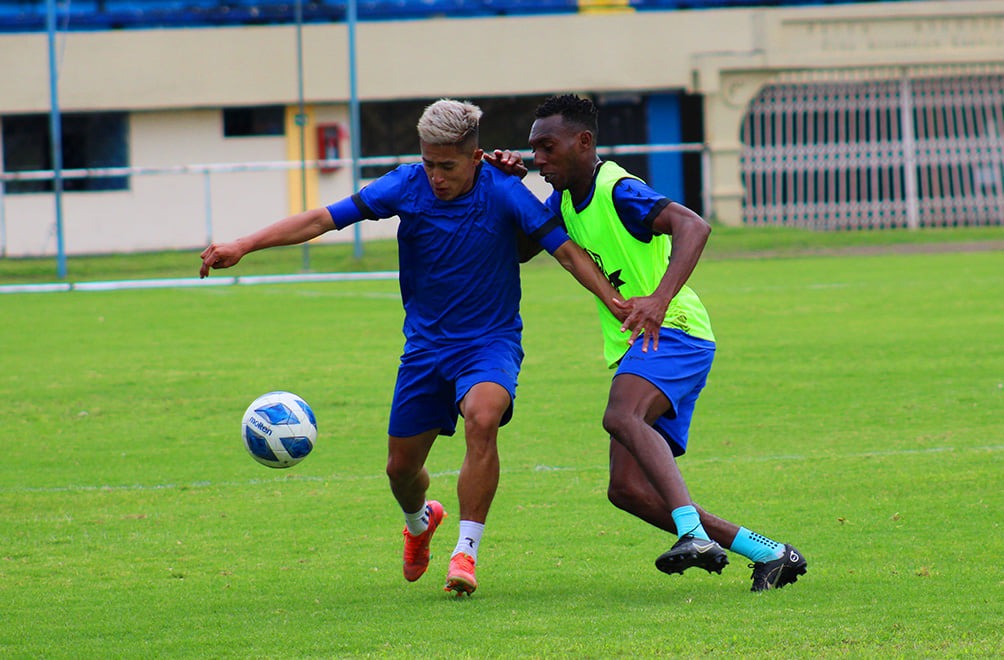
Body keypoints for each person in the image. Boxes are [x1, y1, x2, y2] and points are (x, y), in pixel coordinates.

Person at [199, 99, 623, 597]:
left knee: (483, 419)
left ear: (475, 156)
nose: (436, 176)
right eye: (428, 163)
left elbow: (565, 250)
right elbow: (321, 219)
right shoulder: (405, 185)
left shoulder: (505, 190)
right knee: (400, 471)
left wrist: (613, 300)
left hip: (490, 342)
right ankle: (421, 522)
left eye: (447, 165)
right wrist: (243, 245)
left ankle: (465, 552)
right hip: (425, 349)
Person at [495, 94, 807, 592]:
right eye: (533, 150)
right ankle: (770, 553)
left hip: (674, 330)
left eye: (548, 147)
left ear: (584, 142)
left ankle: (692, 534)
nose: (539, 159)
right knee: (629, 490)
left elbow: (693, 226)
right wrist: (507, 186)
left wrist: (660, 299)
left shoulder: (617, 189)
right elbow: (518, 249)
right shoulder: (562, 201)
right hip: (642, 345)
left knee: (621, 416)